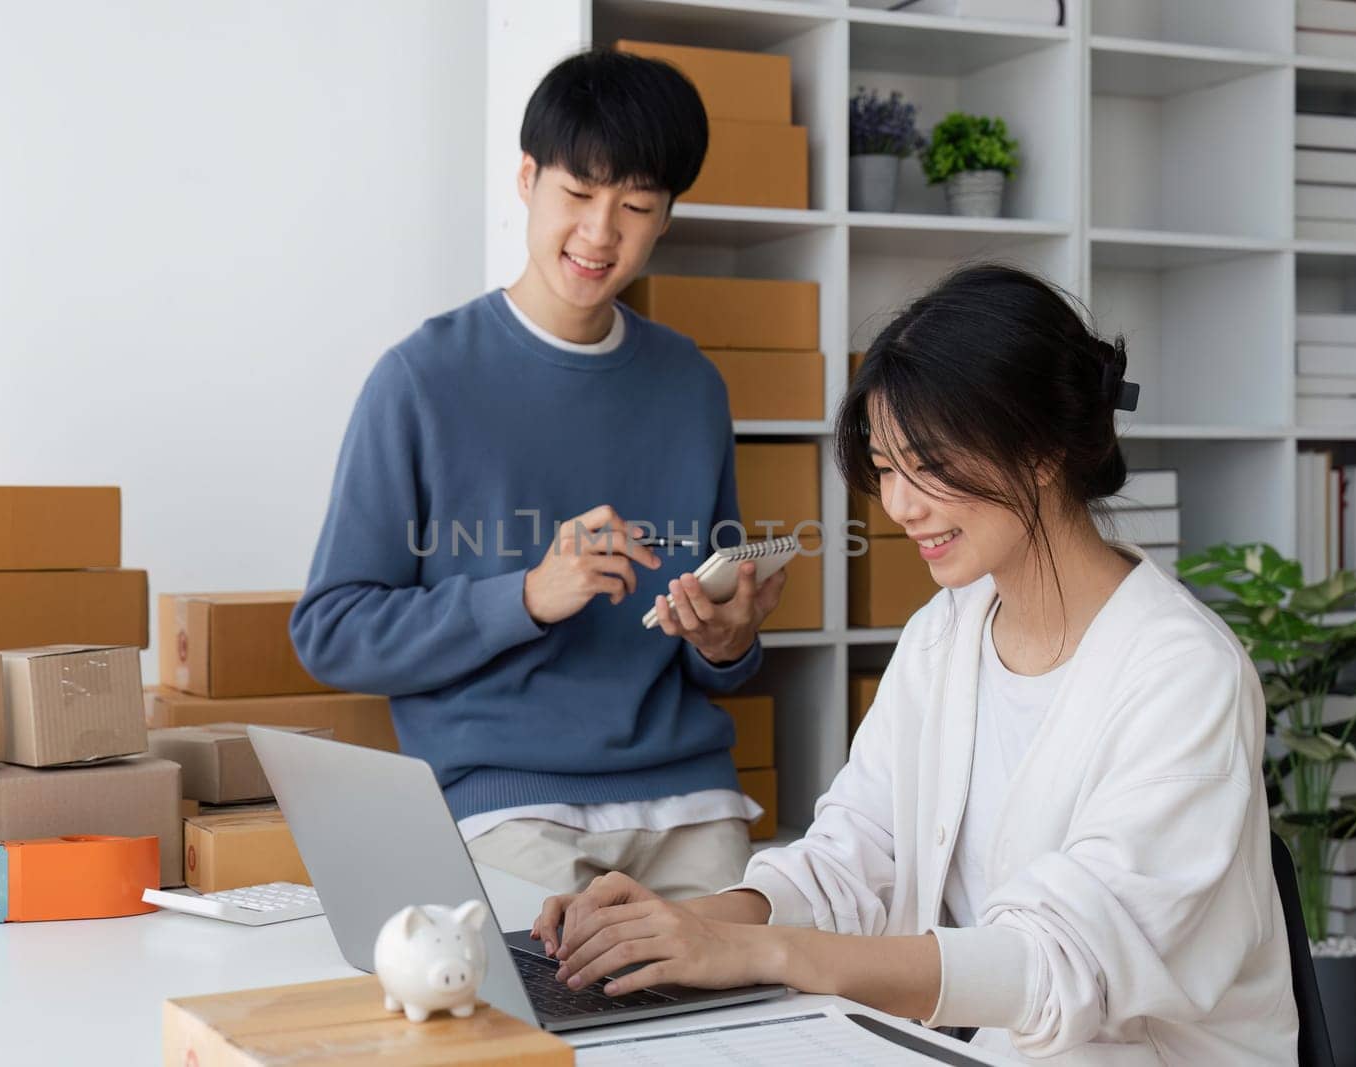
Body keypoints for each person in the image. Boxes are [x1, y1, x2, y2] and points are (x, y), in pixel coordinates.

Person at [527, 265, 1299, 1063]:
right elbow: (854, 855)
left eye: (925, 463)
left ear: (1038, 450)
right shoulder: (947, 631)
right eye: (886, 468)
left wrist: (758, 952)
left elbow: (1055, 964)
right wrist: (683, 925)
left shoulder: (1182, 673)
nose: (897, 505)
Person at [290, 49, 786, 898]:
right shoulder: (421, 380)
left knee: (754, 1008)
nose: (600, 234)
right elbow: (330, 630)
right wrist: (524, 596)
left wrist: (729, 640)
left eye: (634, 206)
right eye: (579, 194)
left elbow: (714, 653)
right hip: (506, 809)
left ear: (665, 217)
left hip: (691, 802)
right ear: (527, 178)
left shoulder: (690, 385)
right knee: (563, 1012)